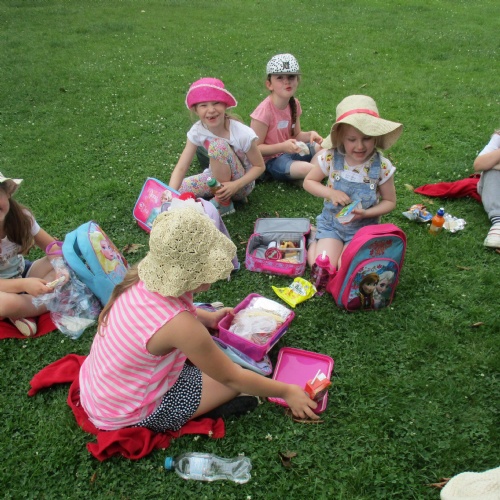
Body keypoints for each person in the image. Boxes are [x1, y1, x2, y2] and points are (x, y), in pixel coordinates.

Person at [79, 208, 318, 433]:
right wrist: (287, 392)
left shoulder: (148, 275)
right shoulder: (182, 326)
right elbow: (231, 377)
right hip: (128, 411)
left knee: (217, 360)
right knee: (236, 379)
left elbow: (174, 314)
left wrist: (210, 319)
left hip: (101, 388)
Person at [304, 95, 403, 270]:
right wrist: (331, 193)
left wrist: (365, 213)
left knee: (346, 267)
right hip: (332, 225)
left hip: (363, 228)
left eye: (367, 138)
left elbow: (390, 201)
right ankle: (314, 241)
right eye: (352, 139)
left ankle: (338, 251)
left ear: (376, 137)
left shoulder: (381, 166)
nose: (360, 146)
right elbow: (309, 181)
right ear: (341, 138)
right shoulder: (331, 157)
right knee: (323, 266)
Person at [168, 78, 265, 217]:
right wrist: (171, 194)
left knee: (217, 145)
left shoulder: (242, 133)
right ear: (195, 110)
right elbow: (181, 167)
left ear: (225, 105)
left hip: (241, 185)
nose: (211, 110)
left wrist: (236, 185)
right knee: (180, 187)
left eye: (216, 103)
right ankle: (208, 198)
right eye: (203, 105)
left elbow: (259, 166)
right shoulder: (197, 130)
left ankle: (224, 203)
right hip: (214, 180)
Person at [0, 172, 68, 336]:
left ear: (7, 192)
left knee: (65, 257)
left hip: (22, 271)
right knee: (3, 303)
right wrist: (24, 285)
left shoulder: (22, 218)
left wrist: (60, 269)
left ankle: (25, 308)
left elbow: (51, 246)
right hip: (4, 289)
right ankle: (29, 306)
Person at [250, 53, 323, 183]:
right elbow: (255, 149)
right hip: (272, 161)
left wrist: (310, 135)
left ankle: (309, 175)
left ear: (297, 80)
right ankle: (313, 173)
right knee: (309, 167)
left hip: (293, 151)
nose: (287, 81)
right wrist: (282, 147)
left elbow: (297, 135)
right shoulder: (264, 112)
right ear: (269, 84)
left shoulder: (294, 104)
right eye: (280, 78)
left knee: (323, 148)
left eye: (291, 77)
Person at [473, 129, 500, 249]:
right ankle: (498, 221)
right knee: (490, 170)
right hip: (495, 188)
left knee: (491, 166)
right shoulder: (498, 138)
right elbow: (479, 165)